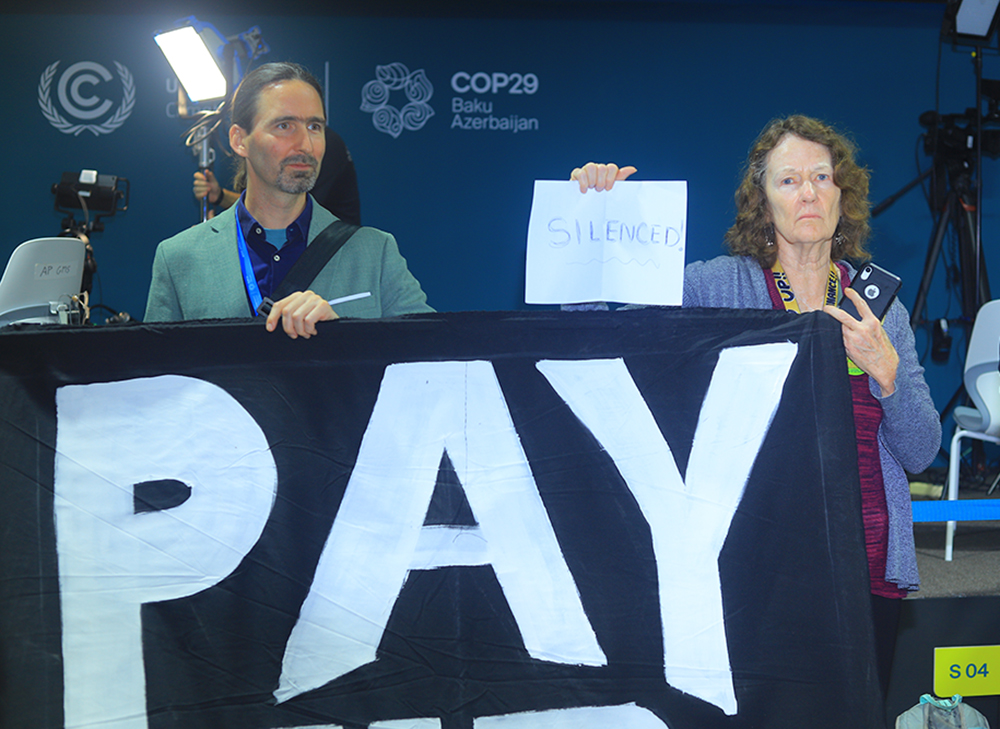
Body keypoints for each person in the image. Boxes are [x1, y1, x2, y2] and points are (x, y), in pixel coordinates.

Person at [570, 115, 941, 697]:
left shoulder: (879, 309)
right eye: (788, 180)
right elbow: (603, 338)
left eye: (822, 176)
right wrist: (596, 220)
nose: (809, 191)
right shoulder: (718, 288)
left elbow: (921, 452)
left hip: (864, 561)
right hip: (749, 563)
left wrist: (887, 374)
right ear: (762, 203)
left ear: (845, 196)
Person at [146, 62, 432, 338]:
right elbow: (157, 380)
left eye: (314, 127)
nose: (306, 145)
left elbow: (432, 360)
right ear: (239, 140)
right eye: (284, 126)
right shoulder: (178, 259)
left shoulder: (376, 253)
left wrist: (346, 336)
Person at [193, 125, 362, 226]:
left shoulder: (324, 146)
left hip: (334, 255)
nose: (306, 145)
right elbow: (266, 206)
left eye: (314, 125)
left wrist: (219, 234)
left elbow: (287, 211)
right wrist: (221, 196)